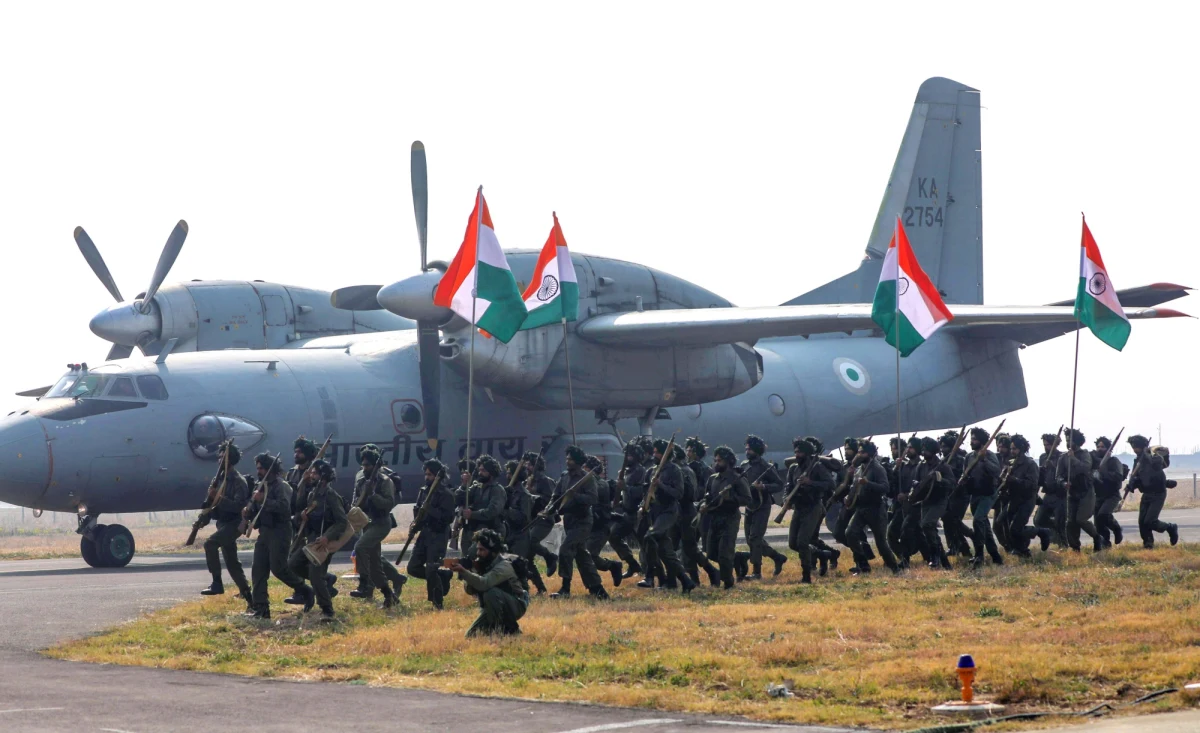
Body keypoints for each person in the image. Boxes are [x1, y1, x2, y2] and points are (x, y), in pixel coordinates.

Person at [245, 453, 312, 619]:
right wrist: (248, 510)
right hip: (265, 531)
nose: (259, 471)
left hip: (280, 530)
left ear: (270, 469)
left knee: (278, 568)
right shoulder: (261, 486)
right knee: (258, 569)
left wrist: (263, 500)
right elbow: (256, 509)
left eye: (262, 468)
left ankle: (306, 590)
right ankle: (261, 608)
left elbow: (284, 508)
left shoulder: (282, 486)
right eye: (258, 468)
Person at [286, 460, 348, 621]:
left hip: (323, 542)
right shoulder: (311, 493)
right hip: (311, 540)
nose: (311, 475)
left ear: (324, 477)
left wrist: (327, 536)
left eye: (314, 473)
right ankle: (326, 579)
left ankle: (327, 610)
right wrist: (302, 514)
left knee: (314, 575)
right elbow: (298, 507)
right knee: (293, 563)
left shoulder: (331, 496)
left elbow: (342, 521)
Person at [549, 446, 609, 599]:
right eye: (567, 458)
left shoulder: (586, 478)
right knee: (582, 556)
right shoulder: (564, 477)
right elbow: (555, 497)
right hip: (569, 520)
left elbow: (592, 498)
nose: (567, 461)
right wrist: (548, 509)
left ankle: (565, 589)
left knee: (565, 550)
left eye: (570, 459)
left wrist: (575, 496)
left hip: (583, 521)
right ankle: (597, 589)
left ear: (577, 461)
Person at [638, 439, 697, 594]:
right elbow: (646, 493)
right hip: (654, 513)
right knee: (665, 552)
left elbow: (678, 493)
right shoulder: (651, 471)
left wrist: (661, 484)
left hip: (668, 512)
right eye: (655, 451)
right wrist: (641, 507)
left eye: (658, 452)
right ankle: (686, 581)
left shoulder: (674, 470)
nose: (655, 454)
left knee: (649, 537)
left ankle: (650, 576)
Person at [350, 444, 407, 604]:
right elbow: (356, 498)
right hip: (366, 523)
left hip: (381, 522)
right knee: (375, 564)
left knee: (360, 547)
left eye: (368, 465)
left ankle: (364, 584)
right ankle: (389, 596)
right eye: (363, 465)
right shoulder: (361, 478)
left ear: (375, 465)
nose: (365, 468)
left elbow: (389, 503)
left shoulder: (385, 481)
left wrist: (373, 495)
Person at [448, 528, 529, 637]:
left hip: (516, 604)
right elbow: (469, 590)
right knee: (471, 636)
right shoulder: (483, 564)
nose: (478, 553)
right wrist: (473, 571)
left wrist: (464, 571)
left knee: (490, 592)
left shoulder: (504, 565)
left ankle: (504, 630)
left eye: (482, 550)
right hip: (493, 605)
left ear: (493, 551)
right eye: (478, 549)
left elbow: (484, 584)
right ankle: (506, 630)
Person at [199, 442, 252, 604]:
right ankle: (249, 596)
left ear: (231, 460)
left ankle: (217, 583)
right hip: (222, 523)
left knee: (210, 544)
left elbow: (238, 506)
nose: (219, 461)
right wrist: (204, 518)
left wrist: (219, 497)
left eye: (223, 458)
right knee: (231, 562)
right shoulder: (219, 479)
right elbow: (211, 503)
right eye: (219, 458)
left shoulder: (238, 481)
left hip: (234, 523)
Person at [844, 440, 901, 575]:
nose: (859, 454)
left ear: (869, 454)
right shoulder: (859, 469)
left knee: (881, 543)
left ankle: (894, 568)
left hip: (876, 509)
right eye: (858, 452)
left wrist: (868, 483)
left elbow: (885, 487)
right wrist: (848, 498)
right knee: (850, 533)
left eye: (862, 452)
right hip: (861, 508)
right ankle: (863, 565)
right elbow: (854, 487)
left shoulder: (877, 468)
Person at [735, 435, 787, 581]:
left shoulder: (765, 466)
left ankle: (757, 572)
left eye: (750, 449)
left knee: (755, 538)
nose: (747, 451)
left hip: (762, 506)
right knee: (750, 539)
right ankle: (777, 557)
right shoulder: (745, 465)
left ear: (757, 450)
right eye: (746, 449)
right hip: (750, 506)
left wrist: (763, 486)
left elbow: (779, 484)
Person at [406, 459, 456, 609]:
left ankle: (437, 603)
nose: (427, 477)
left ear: (437, 476)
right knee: (412, 567)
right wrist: (415, 525)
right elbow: (418, 513)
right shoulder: (423, 491)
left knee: (431, 568)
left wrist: (430, 510)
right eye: (426, 474)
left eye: (430, 475)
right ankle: (443, 576)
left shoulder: (446, 494)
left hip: (439, 535)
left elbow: (448, 518)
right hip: (425, 534)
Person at [784, 438, 835, 584]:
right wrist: (786, 500)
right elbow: (788, 487)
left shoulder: (817, 467)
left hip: (813, 507)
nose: (797, 454)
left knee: (802, 541)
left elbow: (830, 484)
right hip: (798, 508)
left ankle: (806, 575)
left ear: (807, 453)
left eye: (799, 452)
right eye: (795, 452)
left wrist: (810, 482)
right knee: (793, 544)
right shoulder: (793, 468)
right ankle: (821, 554)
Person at [701, 446, 751, 588]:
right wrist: (703, 506)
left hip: (730, 518)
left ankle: (728, 582)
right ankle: (738, 558)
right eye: (715, 460)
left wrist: (731, 498)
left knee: (724, 553)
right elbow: (706, 497)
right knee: (711, 553)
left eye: (720, 461)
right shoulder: (712, 479)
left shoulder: (737, 478)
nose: (716, 463)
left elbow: (747, 499)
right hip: (714, 518)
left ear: (728, 461)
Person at [672, 444, 718, 586]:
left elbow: (694, 494)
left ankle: (709, 572)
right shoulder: (673, 470)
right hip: (675, 514)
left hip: (688, 513)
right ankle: (674, 579)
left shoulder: (686, 471)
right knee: (672, 547)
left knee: (690, 548)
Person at [503, 457, 550, 595]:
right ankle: (540, 587)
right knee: (526, 563)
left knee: (519, 565)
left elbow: (524, 518)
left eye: (509, 473)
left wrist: (507, 510)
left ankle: (524, 592)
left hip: (521, 534)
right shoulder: (509, 492)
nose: (507, 476)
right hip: (510, 533)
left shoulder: (524, 494)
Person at [959, 427, 1003, 567]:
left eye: (975, 439)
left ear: (982, 441)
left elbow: (996, 471)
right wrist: (963, 479)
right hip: (975, 494)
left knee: (978, 520)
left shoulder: (989, 455)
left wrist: (984, 460)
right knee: (984, 525)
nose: (972, 442)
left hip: (988, 494)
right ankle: (995, 556)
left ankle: (979, 555)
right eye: (971, 439)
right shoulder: (969, 457)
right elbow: (965, 473)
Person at [1002, 434, 1051, 557]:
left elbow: (1032, 485)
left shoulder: (1030, 464)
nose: (1012, 451)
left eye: (1014, 448)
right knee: (1005, 524)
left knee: (1015, 528)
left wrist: (1015, 480)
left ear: (1021, 449)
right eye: (1011, 448)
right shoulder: (1011, 463)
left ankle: (1041, 532)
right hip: (1014, 498)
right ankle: (1021, 550)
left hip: (1027, 499)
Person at [1126, 435, 1178, 548]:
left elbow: (1158, 464)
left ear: (1143, 447)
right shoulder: (1138, 460)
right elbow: (1138, 477)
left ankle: (1170, 527)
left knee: (1150, 521)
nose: (1135, 450)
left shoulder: (1154, 456)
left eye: (1137, 447)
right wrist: (1132, 485)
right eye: (1133, 447)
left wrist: (1146, 455)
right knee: (1142, 522)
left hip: (1158, 493)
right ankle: (1148, 544)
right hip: (1147, 493)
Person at [914, 437, 954, 570]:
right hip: (926, 500)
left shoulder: (943, 466)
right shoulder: (921, 466)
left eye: (926, 449)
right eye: (922, 449)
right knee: (929, 530)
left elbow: (952, 484)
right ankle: (945, 563)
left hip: (939, 501)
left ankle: (934, 554)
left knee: (927, 524)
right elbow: (916, 483)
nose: (923, 452)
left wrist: (939, 479)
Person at [1056, 429, 1100, 552]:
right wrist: (1064, 483)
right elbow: (1058, 476)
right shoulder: (1063, 458)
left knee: (1081, 519)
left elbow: (1085, 468)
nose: (1068, 443)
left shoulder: (1085, 454)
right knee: (1070, 522)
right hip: (1072, 492)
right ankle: (1075, 547)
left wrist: (1073, 458)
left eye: (1070, 440)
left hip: (1086, 491)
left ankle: (1097, 537)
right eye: (1067, 440)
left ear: (1077, 441)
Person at [583, 455, 624, 588]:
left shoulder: (600, 484)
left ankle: (612, 566)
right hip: (588, 525)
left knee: (589, 556)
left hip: (599, 526)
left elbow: (593, 497)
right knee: (584, 556)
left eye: (584, 468)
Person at [458, 455, 507, 564]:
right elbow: (460, 499)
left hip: (489, 531)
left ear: (491, 472)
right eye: (479, 470)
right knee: (466, 562)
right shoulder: (476, 487)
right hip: (473, 531)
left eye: (483, 470)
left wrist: (472, 514)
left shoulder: (497, 490)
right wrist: (464, 485)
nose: (480, 473)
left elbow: (492, 511)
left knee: (474, 558)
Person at [608, 442, 646, 579]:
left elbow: (642, 491)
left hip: (639, 513)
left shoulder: (641, 471)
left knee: (645, 544)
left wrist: (625, 488)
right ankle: (632, 564)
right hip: (626, 512)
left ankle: (650, 572)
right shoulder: (624, 472)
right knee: (613, 535)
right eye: (626, 455)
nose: (627, 458)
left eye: (630, 456)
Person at [522, 451, 559, 577]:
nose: (527, 467)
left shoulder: (545, 481)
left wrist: (531, 495)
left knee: (532, 540)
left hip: (544, 518)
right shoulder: (527, 482)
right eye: (527, 465)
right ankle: (540, 587)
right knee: (527, 556)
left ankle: (550, 557)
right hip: (531, 520)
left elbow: (550, 500)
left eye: (530, 465)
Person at [940, 431, 975, 559]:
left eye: (945, 446)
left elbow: (964, 476)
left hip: (961, 495)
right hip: (949, 495)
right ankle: (955, 547)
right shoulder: (943, 460)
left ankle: (970, 538)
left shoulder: (961, 460)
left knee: (954, 521)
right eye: (941, 446)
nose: (943, 449)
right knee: (947, 520)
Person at [1034, 432, 1068, 547]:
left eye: (1049, 445)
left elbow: (1065, 475)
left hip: (1060, 495)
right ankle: (1054, 537)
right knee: (1039, 520)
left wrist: (1053, 466)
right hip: (1048, 494)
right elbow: (1041, 476)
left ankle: (1064, 545)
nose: (1046, 447)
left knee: (1060, 522)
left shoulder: (1062, 457)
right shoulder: (1043, 457)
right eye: (1045, 445)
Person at [1091, 436, 1125, 547]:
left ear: (1108, 449)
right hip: (1098, 495)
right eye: (1098, 447)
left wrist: (1103, 470)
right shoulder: (1094, 461)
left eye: (1103, 447)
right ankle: (1105, 543)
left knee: (1103, 515)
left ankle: (1116, 528)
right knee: (1098, 522)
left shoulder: (1113, 461)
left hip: (1112, 495)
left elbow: (1118, 477)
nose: (1100, 449)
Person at [686, 437, 713, 554]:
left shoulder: (705, 469)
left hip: (702, 506)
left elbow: (707, 488)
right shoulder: (687, 467)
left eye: (690, 451)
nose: (688, 453)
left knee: (705, 539)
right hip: (690, 506)